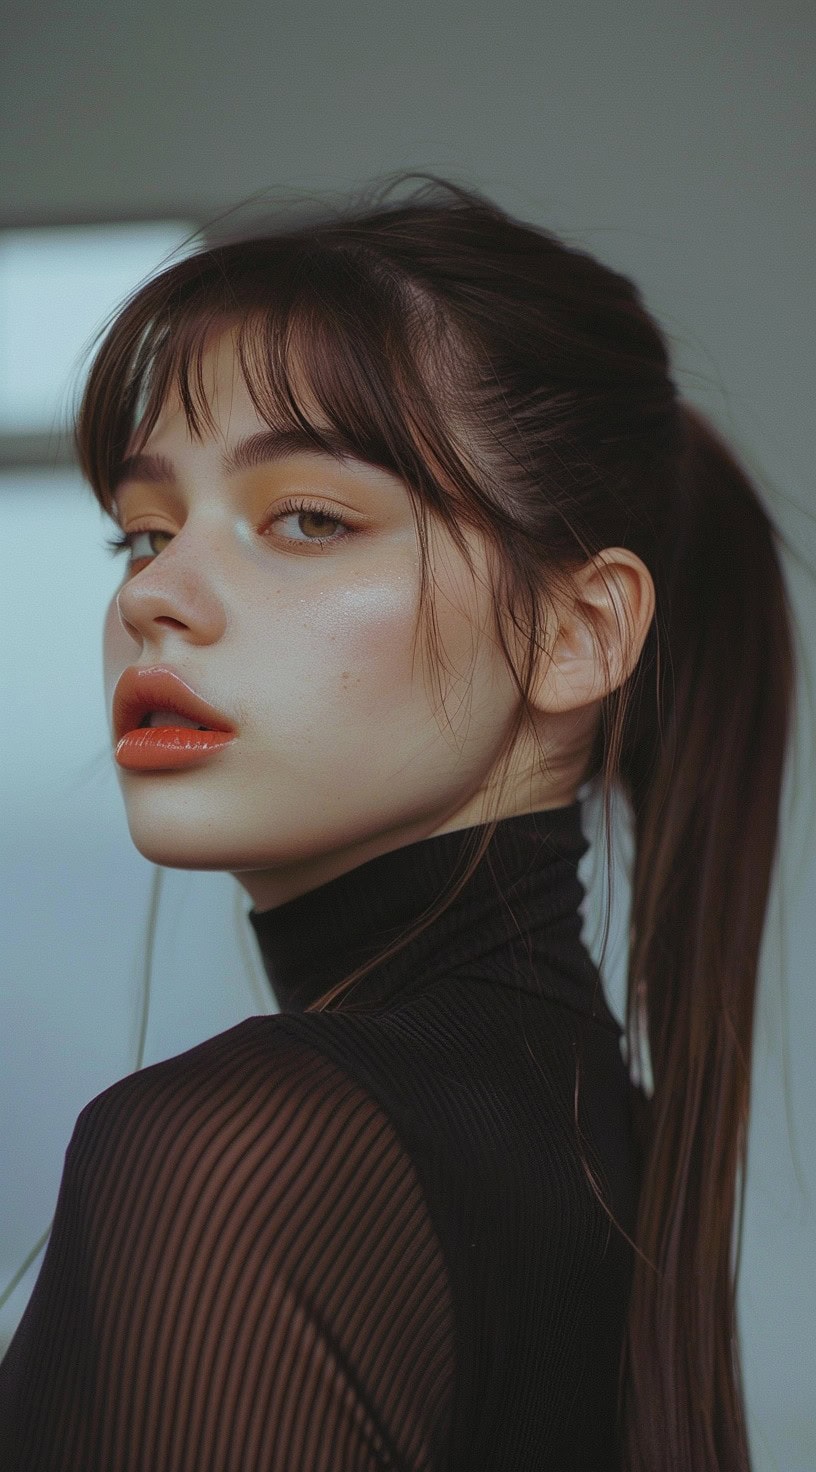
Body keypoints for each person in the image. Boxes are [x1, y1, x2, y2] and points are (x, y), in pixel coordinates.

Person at [0, 176, 796, 1471]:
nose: (161, 596)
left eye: (308, 518)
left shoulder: (236, 1160)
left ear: (580, 632)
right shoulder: (617, 1138)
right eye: (141, 534)